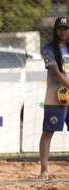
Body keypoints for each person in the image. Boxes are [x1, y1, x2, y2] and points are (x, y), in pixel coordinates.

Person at [39, 16, 69, 180]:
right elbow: (55, 73)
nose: (63, 31)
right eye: (60, 28)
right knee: (48, 132)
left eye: (66, 28)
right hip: (55, 97)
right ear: (55, 30)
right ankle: (44, 169)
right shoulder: (49, 48)